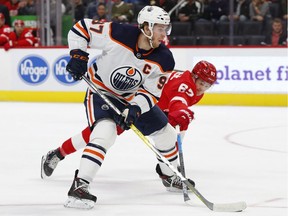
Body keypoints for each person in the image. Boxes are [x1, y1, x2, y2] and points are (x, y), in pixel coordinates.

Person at [48, 5, 197, 209]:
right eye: (161, 28)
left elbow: (152, 93)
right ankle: (80, 185)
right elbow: (81, 28)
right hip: (101, 92)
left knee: (167, 133)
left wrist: (135, 108)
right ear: (146, 27)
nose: (164, 34)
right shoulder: (118, 33)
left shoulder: (164, 58)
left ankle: (169, 175)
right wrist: (78, 55)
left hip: (132, 97)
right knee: (104, 133)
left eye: (166, 28)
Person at [41, 58, 217, 204]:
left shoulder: (194, 88)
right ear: (193, 76)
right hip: (135, 102)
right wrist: (179, 112)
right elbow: (178, 99)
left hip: (150, 106)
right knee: (97, 134)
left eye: (208, 85)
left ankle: (168, 175)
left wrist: (179, 123)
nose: (203, 88)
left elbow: (175, 108)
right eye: (202, 83)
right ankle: (56, 154)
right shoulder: (185, 85)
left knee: (166, 135)